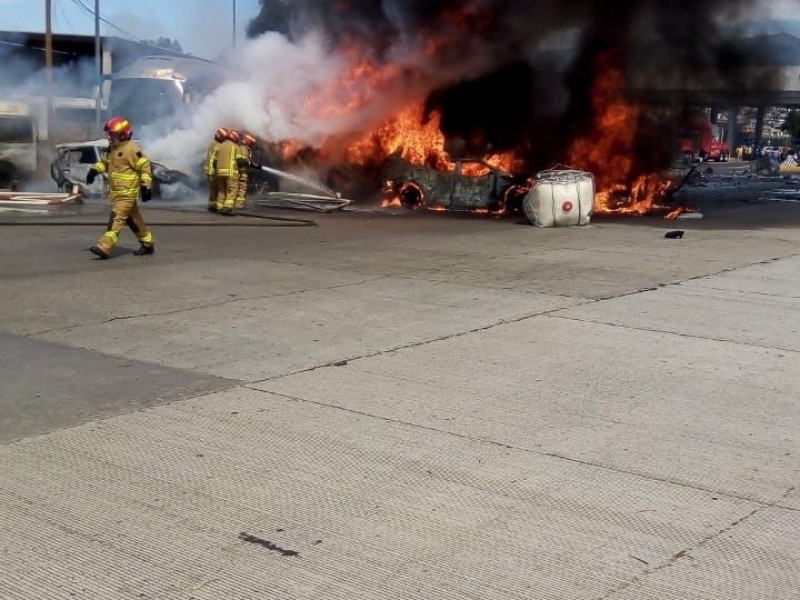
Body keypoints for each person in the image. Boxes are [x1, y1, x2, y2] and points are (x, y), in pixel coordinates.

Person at [87, 116, 154, 259]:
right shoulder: (113, 149)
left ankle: (104, 248)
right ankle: (148, 243)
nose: (110, 136)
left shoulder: (132, 149)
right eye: (109, 134)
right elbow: (105, 163)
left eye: (113, 134)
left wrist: (146, 186)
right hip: (118, 194)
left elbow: (145, 166)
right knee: (134, 220)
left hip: (127, 194)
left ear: (123, 134)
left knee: (116, 219)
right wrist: (94, 170)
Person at [215, 129, 242, 215]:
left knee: (221, 190)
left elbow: (215, 160)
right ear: (234, 137)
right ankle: (227, 208)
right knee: (232, 190)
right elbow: (240, 160)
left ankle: (219, 207)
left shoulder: (219, 146)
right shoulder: (235, 147)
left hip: (219, 172)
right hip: (231, 172)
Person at [205, 127, 228, 213]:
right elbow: (214, 160)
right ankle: (219, 206)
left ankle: (212, 205)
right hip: (213, 171)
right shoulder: (218, 145)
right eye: (222, 137)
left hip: (209, 170)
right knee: (220, 189)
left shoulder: (212, 144)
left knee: (213, 189)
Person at [235, 132, 258, 210]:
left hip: (239, 171)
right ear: (248, 142)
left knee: (237, 188)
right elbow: (243, 160)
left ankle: (236, 204)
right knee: (242, 188)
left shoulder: (241, 148)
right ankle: (239, 205)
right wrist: (251, 164)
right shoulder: (244, 149)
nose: (252, 145)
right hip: (242, 172)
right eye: (251, 143)